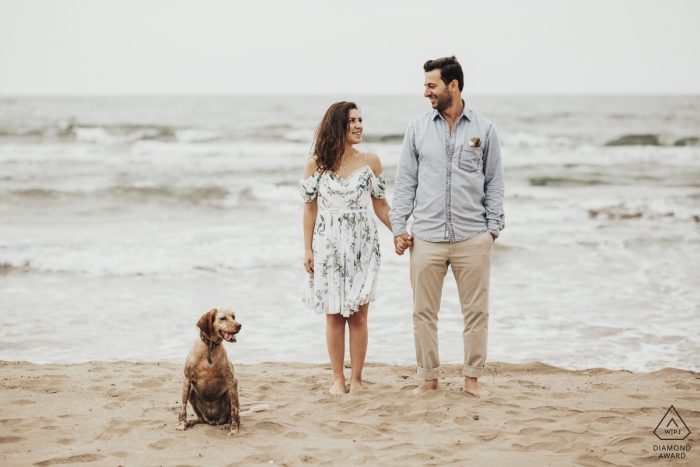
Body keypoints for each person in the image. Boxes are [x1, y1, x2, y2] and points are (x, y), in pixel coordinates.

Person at [389, 56, 505, 398]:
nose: (425, 92)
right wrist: (399, 227)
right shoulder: (417, 128)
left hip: (473, 236)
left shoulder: (484, 130)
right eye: (426, 85)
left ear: (452, 86)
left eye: (431, 85)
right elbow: (405, 182)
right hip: (426, 237)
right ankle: (429, 378)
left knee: (476, 313)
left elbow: (494, 182)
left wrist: (492, 229)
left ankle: (472, 380)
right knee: (423, 313)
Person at [300, 101, 393, 396]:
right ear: (337, 125)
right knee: (333, 315)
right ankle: (338, 380)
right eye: (352, 120)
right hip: (328, 245)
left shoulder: (371, 162)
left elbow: (380, 205)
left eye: (360, 119)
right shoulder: (317, 164)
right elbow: (310, 210)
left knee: (359, 315)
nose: (358, 125)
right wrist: (307, 249)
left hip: (363, 245)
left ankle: (357, 380)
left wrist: (402, 232)